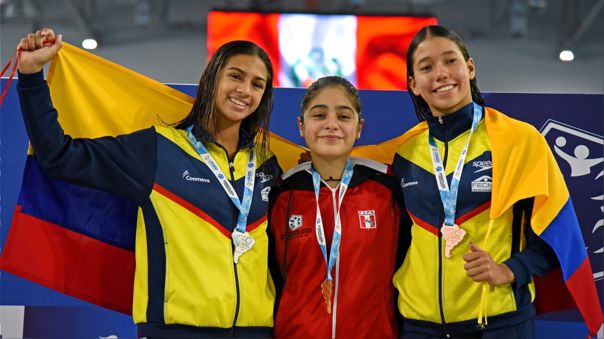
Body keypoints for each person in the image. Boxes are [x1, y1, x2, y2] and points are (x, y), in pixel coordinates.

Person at [17, 29, 281, 338]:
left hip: (257, 333)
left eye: (257, 84)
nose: (244, 90)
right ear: (211, 79)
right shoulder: (158, 150)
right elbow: (60, 156)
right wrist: (32, 75)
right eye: (235, 76)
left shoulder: (267, 166)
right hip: (174, 332)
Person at [391, 25, 603, 338]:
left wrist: (511, 270)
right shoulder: (402, 154)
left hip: (498, 324)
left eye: (450, 61)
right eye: (426, 67)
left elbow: (558, 231)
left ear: (470, 68)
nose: (440, 73)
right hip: (420, 327)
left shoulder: (518, 140)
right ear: (414, 84)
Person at [268, 76, 410, 338]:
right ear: (301, 126)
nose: (331, 124)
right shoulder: (281, 193)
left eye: (344, 117)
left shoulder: (388, 189)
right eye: (319, 115)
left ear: (359, 128)